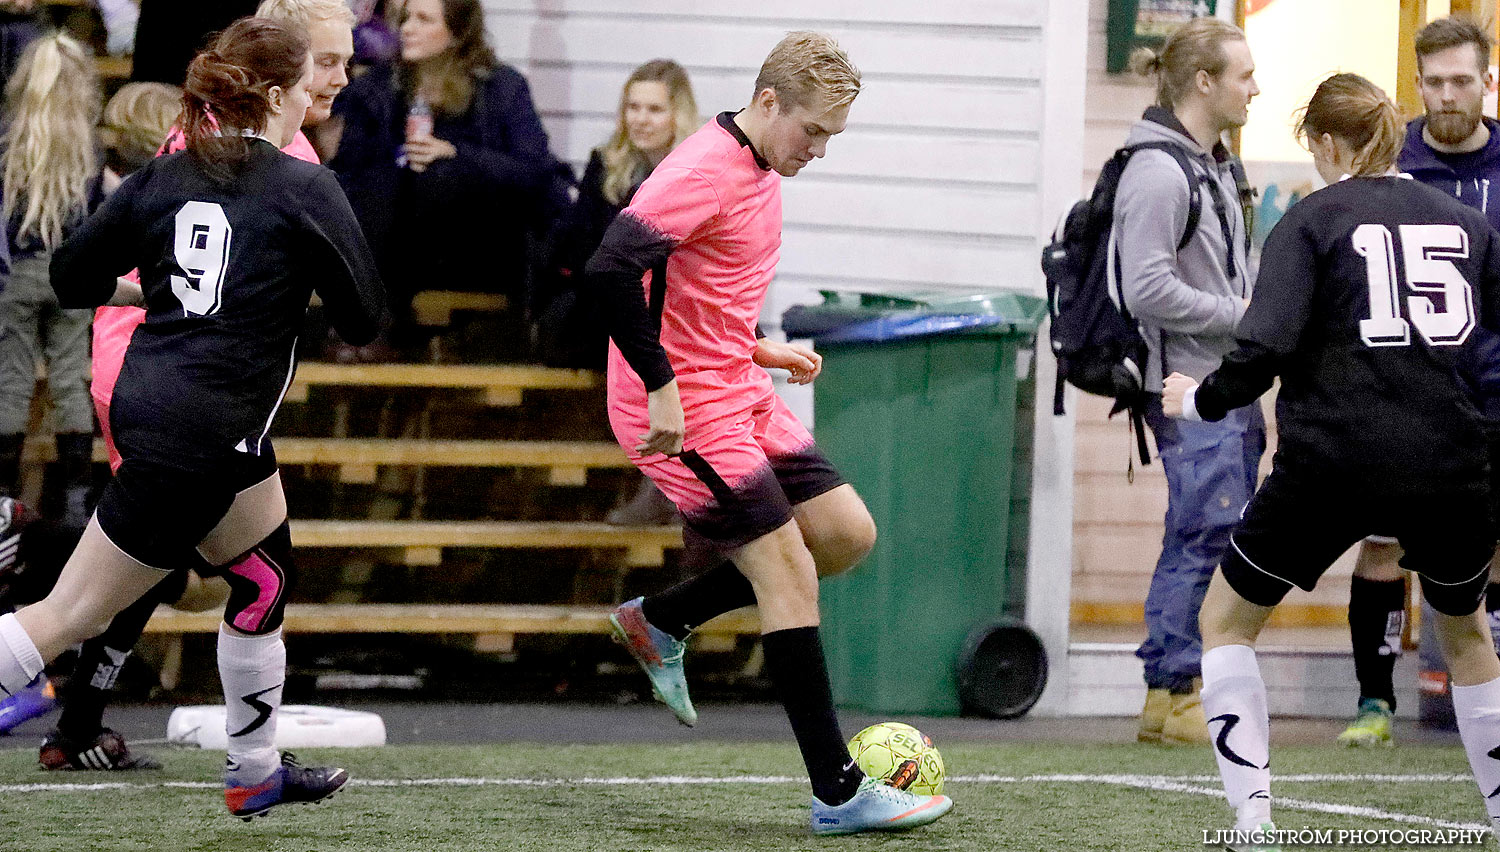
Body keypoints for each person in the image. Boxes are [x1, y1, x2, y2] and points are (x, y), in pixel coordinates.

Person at [0, 16, 384, 818]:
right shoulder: (303, 184)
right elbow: (362, 320)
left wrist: (143, 292)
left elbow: (71, 276)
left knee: (262, 576)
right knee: (66, 615)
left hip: (168, 410)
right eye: (314, 72)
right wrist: (290, 282)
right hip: (202, 430)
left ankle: (255, 771)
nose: (326, 83)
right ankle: (251, 769)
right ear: (278, 94)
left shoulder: (163, 172)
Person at [589, 32, 952, 836]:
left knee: (845, 534)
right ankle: (838, 792)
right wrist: (661, 389)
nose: (819, 150)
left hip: (735, 381)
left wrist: (754, 346)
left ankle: (662, 619)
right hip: (682, 408)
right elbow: (610, 270)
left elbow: (688, 289)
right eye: (812, 132)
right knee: (789, 569)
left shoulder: (760, 166)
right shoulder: (700, 169)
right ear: (766, 103)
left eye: (831, 136)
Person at [1163, 73, 1500, 850]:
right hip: (1448, 459)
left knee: (1224, 622)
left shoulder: (1312, 220)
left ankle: (1252, 819)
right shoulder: (1464, 222)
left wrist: (1201, 401)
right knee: (1469, 638)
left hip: (1332, 459)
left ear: (1324, 143)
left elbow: (1263, 346)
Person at [1337, 14, 1500, 749]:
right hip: (1402, 394)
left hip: (1492, 391)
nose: (1446, 96)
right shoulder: (1389, 160)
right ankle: (1374, 703)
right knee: (1383, 544)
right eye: (1432, 82)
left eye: (1461, 80)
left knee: (1493, 545)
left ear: (1487, 80)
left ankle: (1485, 697)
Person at [1117, 16, 1263, 746]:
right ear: (1204, 82)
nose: (1255, 89)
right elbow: (1147, 289)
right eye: (1244, 76)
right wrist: (1245, 317)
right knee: (1205, 536)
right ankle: (1175, 689)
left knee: (1205, 533)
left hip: (1221, 383)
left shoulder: (1214, 163)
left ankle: (1169, 695)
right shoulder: (1158, 169)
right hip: (1190, 384)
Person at [327, 0, 567, 355]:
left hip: (477, 246)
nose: (407, 28)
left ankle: (367, 322)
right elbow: (347, 173)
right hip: (396, 245)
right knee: (378, 183)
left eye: (424, 19)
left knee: (438, 176)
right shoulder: (376, 89)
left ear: (457, 33)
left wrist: (457, 154)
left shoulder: (502, 87)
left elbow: (535, 172)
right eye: (406, 18)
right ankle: (365, 320)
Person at [542, 58, 697, 525]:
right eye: (633, 107)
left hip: (667, 308)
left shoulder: (691, 173)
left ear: (677, 116)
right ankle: (664, 488)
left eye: (654, 109)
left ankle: (671, 488)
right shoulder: (606, 165)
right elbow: (583, 249)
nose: (641, 119)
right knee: (660, 350)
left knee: (679, 349)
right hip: (605, 309)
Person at [0, 34, 104, 532]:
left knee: (11, 380)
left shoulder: (8, 138)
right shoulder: (90, 145)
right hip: (71, 274)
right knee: (70, 379)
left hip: (15, 274)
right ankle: (78, 499)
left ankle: (3, 499)